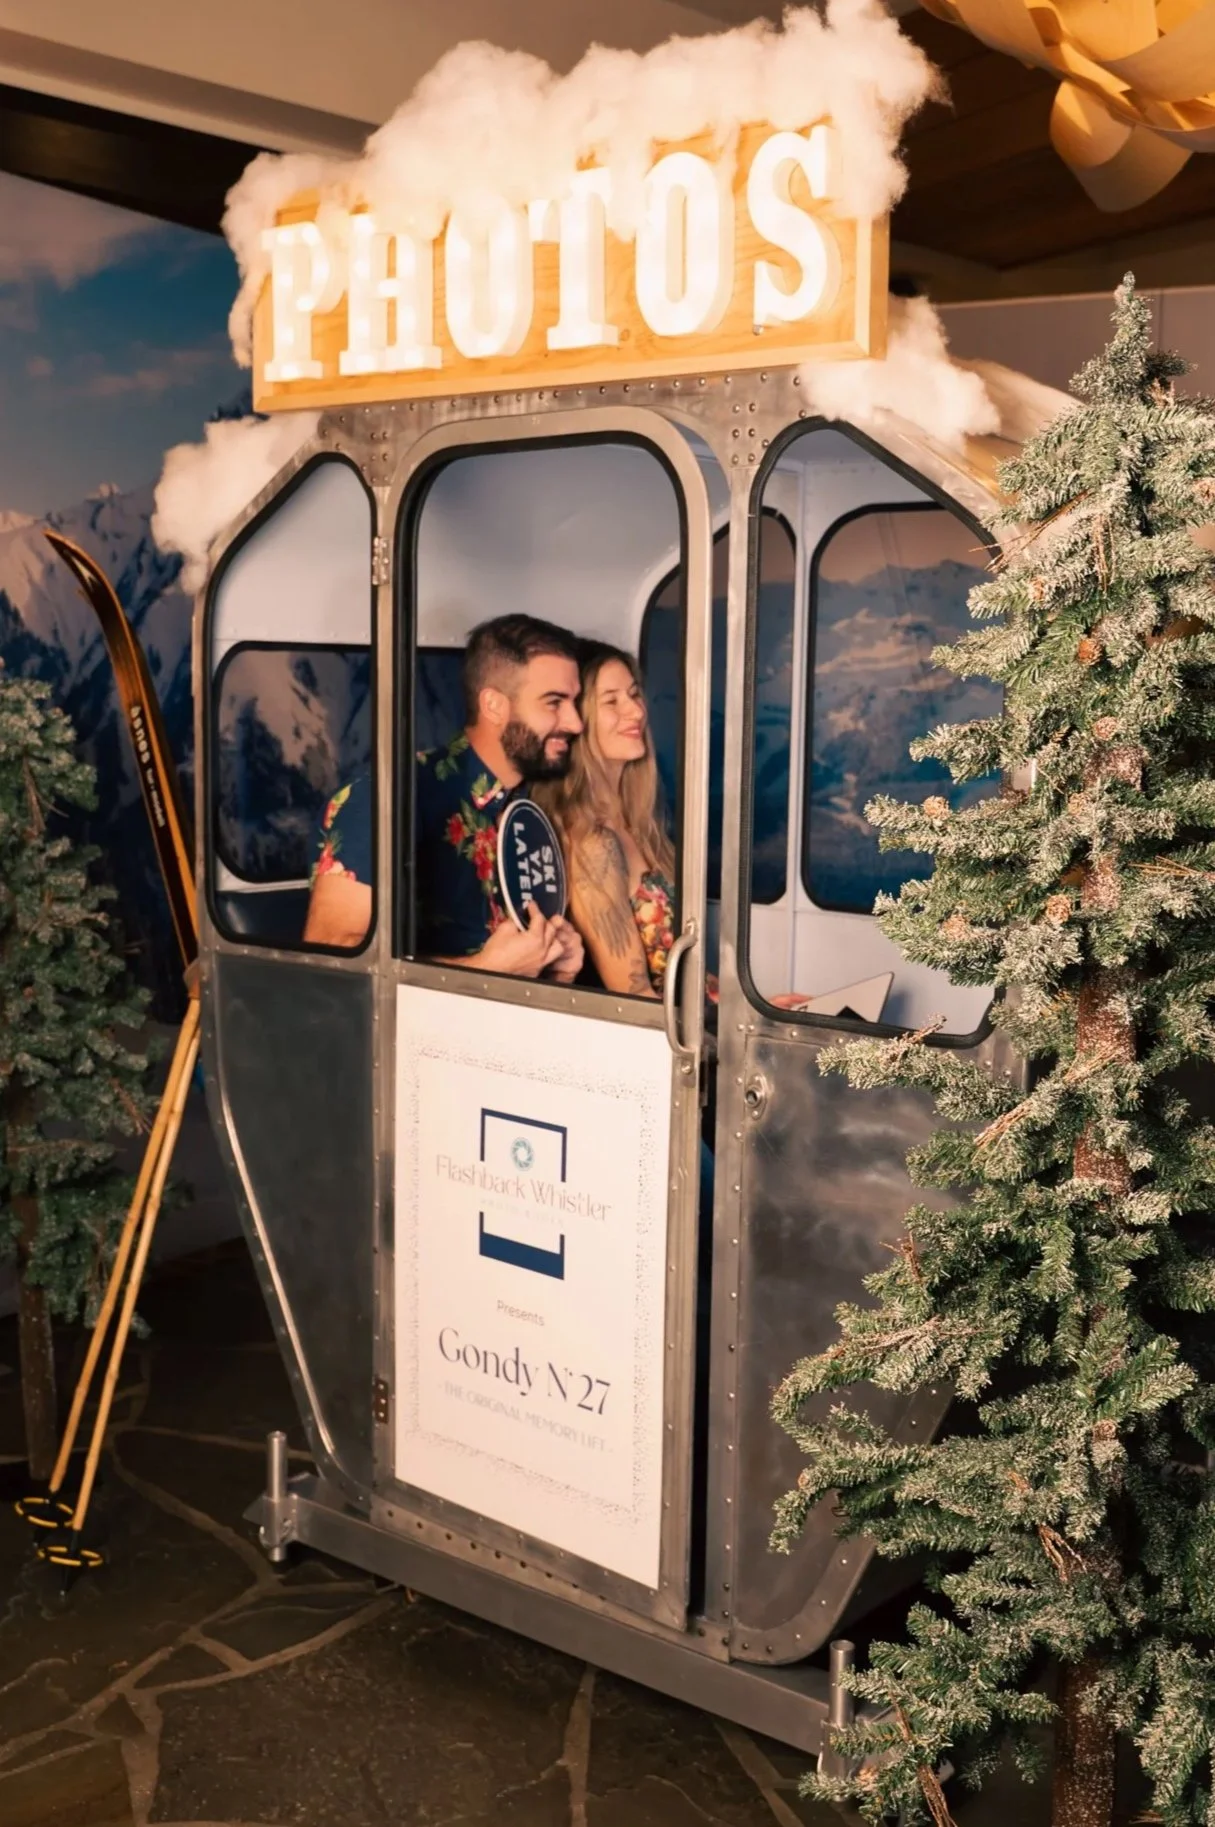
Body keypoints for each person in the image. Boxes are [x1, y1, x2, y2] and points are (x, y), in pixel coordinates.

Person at [303, 614, 585, 983]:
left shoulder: (527, 808)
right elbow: (333, 953)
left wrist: (556, 968)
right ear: (494, 706)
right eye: (554, 702)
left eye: (574, 702)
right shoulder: (388, 797)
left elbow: (519, 967)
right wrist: (486, 971)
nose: (576, 722)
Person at [533, 641, 675, 997]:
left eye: (634, 694)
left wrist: (751, 1011)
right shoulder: (591, 842)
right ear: (578, 721)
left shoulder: (636, 821)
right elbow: (634, 997)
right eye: (612, 701)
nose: (636, 711)